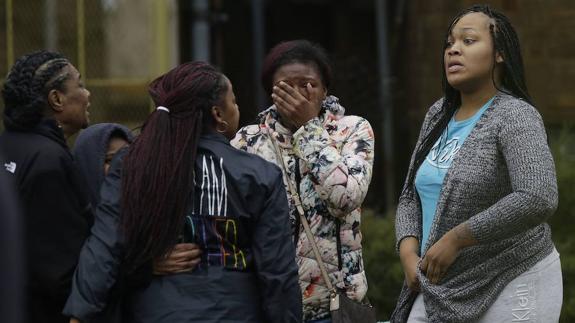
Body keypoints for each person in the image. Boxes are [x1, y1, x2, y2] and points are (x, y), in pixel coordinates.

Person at [64, 61, 302, 323]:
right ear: (218, 114)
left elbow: (103, 247)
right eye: (233, 101)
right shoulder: (258, 174)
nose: (237, 108)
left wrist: (79, 314)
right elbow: (277, 274)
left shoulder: (132, 164)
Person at [392, 4, 561, 322]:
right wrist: (408, 253)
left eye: (468, 41)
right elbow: (409, 198)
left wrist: (458, 238)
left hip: (511, 275)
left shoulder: (515, 115)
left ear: (499, 53)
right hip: (441, 285)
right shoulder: (437, 115)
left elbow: (538, 196)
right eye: (449, 43)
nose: (453, 49)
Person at [232, 39, 375, 323]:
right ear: (272, 93)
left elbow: (345, 198)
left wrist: (309, 128)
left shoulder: (353, 130)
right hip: (269, 305)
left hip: (335, 306)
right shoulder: (247, 141)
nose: (297, 93)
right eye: (287, 85)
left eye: (307, 84)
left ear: (324, 90)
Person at [0, 50, 93, 323]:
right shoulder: (49, 162)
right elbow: (60, 273)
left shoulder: (7, 145)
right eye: (80, 84)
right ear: (57, 99)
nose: (88, 94)